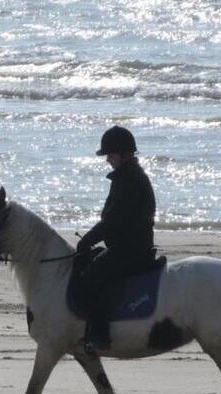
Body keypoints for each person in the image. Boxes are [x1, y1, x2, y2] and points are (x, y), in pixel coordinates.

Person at [76, 125, 156, 354]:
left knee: (92, 276)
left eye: (110, 155)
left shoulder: (128, 180)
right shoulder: (128, 176)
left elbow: (112, 221)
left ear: (121, 154)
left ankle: (99, 336)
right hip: (129, 245)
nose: (108, 160)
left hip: (130, 249)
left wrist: (86, 241)